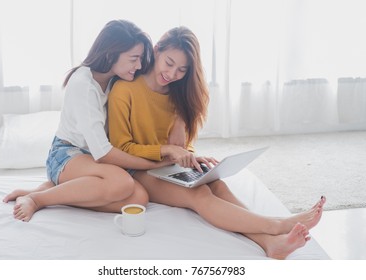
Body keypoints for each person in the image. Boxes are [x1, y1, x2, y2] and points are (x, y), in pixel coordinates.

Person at [107, 26, 326, 259]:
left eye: (182, 69)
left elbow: (182, 146)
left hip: (168, 166)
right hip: (138, 169)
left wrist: (188, 154)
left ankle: (269, 243)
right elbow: (121, 146)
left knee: (218, 185)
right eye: (169, 63)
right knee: (199, 195)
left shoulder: (178, 93)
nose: (172, 74)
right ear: (157, 50)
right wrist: (168, 150)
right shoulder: (124, 89)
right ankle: (276, 225)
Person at [3, 20, 176, 222]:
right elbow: (103, 153)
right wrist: (152, 164)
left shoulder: (116, 80)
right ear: (111, 54)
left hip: (92, 157)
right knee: (122, 183)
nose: (138, 66)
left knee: (139, 198)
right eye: (133, 59)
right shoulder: (83, 84)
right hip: (68, 154)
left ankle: (59, 192)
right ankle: (38, 199)